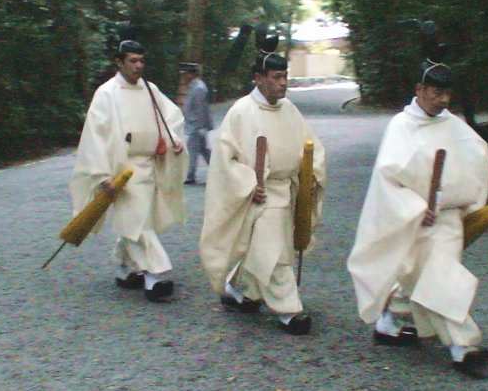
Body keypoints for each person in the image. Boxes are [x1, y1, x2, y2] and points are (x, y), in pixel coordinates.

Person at [347, 60, 488, 375]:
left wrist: (468, 204)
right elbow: (388, 179)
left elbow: (476, 155)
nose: (443, 100)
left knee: (424, 276)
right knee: (438, 278)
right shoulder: (402, 126)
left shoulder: (453, 125)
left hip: (448, 217)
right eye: (436, 93)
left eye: (447, 94)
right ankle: (463, 346)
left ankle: (389, 317)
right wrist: (415, 208)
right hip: (414, 219)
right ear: (420, 90)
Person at [199, 47, 326, 335]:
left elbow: (312, 145)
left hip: (287, 189)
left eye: (285, 77)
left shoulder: (289, 109)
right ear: (258, 78)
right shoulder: (241, 111)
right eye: (276, 77)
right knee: (275, 252)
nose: (283, 83)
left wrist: (311, 174)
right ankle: (289, 311)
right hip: (260, 194)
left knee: (263, 246)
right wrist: (248, 184)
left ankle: (239, 289)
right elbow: (224, 160)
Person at [70, 40, 188, 302]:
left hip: (151, 164)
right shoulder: (106, 93)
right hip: (122, 169)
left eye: (141, 61)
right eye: (133, 61)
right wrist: (102, 176)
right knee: (137, 219)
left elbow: (169, 119)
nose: (138, 66)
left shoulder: (150, 89)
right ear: (119, 62)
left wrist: (174, 141)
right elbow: (95, 136)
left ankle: (126, 268)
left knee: (137, 219)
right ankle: (155, 276)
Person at [180, 62, 213, 185]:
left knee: (192, 151)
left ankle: (190, 175)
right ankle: (218, 170)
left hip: (196, 126)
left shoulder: (198, 88)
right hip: (195, 125)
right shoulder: (196, 86)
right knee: (204, 150)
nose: (184, 76)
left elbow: (200, 109)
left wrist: (200, 126)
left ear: (191, 74)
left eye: (186, 73)